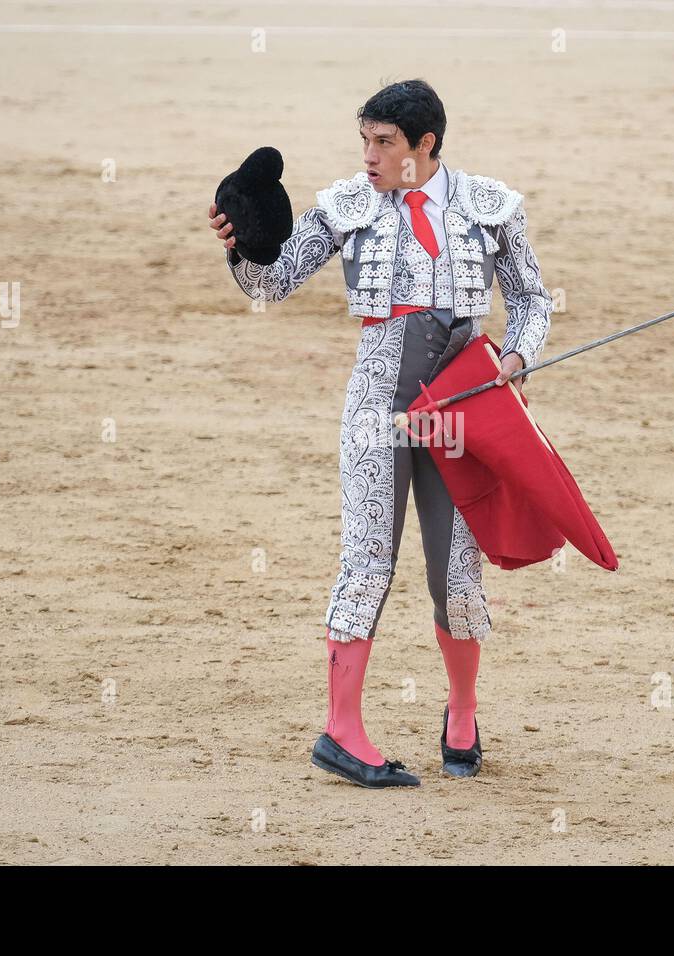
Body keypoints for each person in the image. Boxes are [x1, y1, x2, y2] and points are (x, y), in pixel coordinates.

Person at [208, 79, 552, 788]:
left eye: (384, 142)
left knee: (455, 571)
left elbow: (529, 298)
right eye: (364, 138)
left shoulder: (490, 205)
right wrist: (243, 245)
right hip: (376, 404)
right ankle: (341, 730)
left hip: (463, 408)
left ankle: (461, 715)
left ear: (425, 144)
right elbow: (271, 284)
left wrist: (515, 359)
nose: (368, 155)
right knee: (365, 561)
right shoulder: (348, 204)